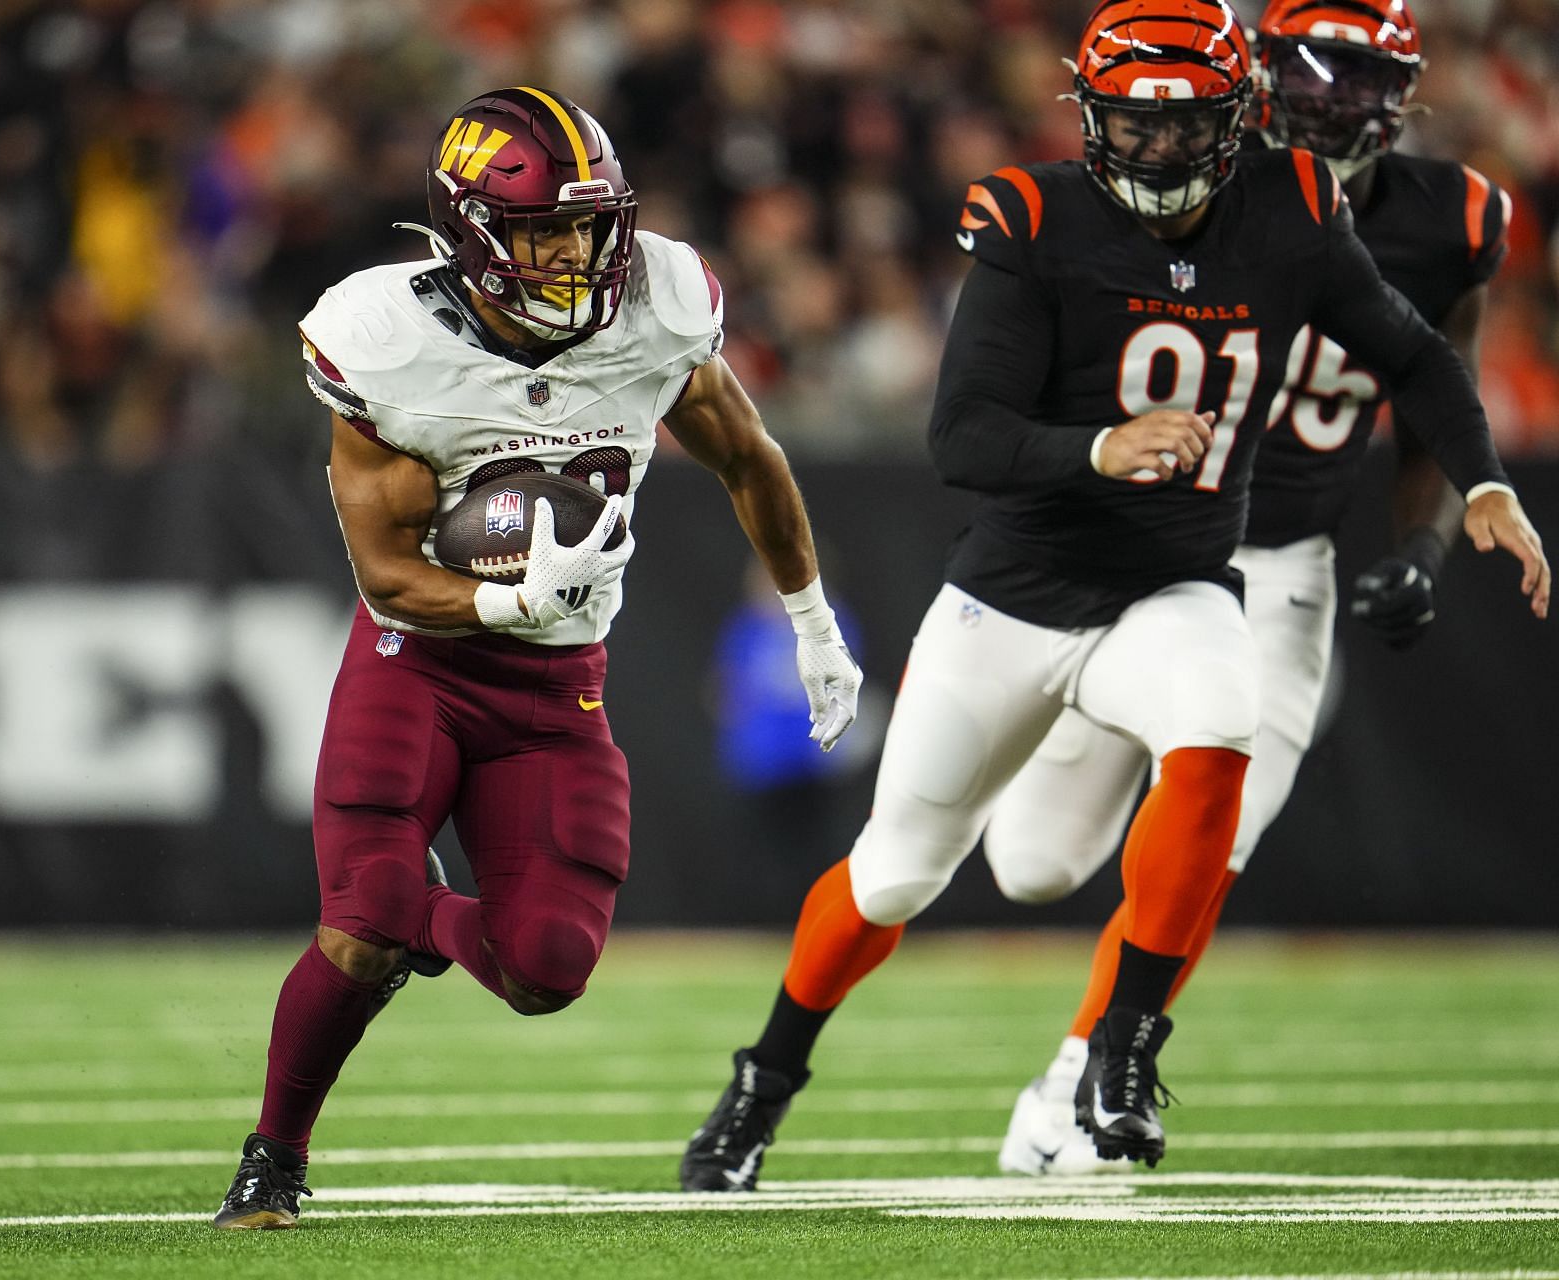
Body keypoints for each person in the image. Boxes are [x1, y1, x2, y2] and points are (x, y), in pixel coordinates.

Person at [679, 0, 1547, 1192]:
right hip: (1017, 598)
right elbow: (964, 436)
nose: (1156, 150)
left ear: (1234, 121)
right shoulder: (1035, 216)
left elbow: (1415, 351)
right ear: (1091, 120)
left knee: (1220, 723)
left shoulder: (1292, 212)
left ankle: (1121, 1054)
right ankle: (762, 1081)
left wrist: (1479, 483)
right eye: (1134, 126)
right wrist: (1097, 448)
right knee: (903, 870)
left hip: (1180, 581)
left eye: (1185, 124)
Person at [211, 86, 863, 1229]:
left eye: (587, 224)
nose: (572, 252)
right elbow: (385, 574)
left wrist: (810, 622)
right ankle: (274, 1154)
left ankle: (419, 910)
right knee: (361, 925)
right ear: (469, 232)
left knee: (545, 970)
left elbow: (751, 458)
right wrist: (504, 595)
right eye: (539, 230)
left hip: (560, 685)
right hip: (420, 663)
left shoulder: (659, 308)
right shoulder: (388, 344)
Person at [990, 0, 1523, 1176]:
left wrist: (1427, 545)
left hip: (1280, 567)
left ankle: (1083, 1070)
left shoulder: (1452, 223)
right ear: (1252, 81)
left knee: (1213, 839)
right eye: (1314, 75)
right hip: (1128, 552)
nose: (1335, 103)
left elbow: (1441, 393)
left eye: (1363, 79)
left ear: (1406, 92)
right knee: (1031, 860)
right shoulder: (1185, 198)